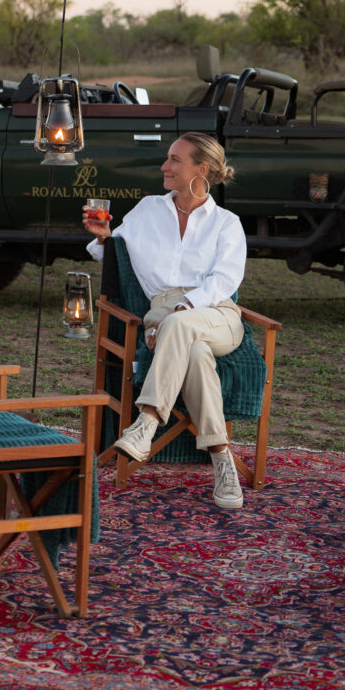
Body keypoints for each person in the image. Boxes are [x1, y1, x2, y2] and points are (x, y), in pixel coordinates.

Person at [83, 131, 247, 510]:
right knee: (196, 357)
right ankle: (223, 460)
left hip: (216, 313)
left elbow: (224, 280)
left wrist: (186, 308)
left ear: (200, 169)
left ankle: (147, 421)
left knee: (176, 326)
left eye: (174, 159)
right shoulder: (147, 210)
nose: (164, 166)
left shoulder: (226, 223)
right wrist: (102, 237)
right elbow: (114, 251)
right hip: (162, 311)